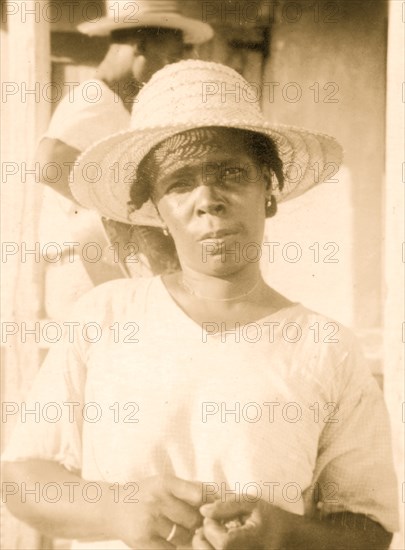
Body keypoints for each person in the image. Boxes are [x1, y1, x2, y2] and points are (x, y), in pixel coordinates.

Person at [3, 61, 398, 550]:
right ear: (156, 210)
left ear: (268, 191)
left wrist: (285, 534)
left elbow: (369, 525)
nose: (208, 199)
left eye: (231, 173)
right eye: (179, 183)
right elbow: (22, 479)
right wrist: (116, 509)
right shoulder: (104, 319)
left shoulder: (325, 347)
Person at [37, 0, 213, 319]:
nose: (168, 73)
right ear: (138, 45)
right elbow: (50, 164)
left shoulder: (121, 104)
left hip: (104, 267)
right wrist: (125, 211)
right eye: (169, 59)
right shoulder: (93, 97)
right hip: (82, 266)